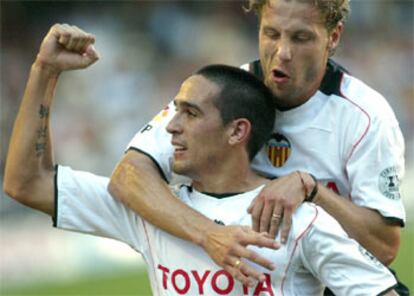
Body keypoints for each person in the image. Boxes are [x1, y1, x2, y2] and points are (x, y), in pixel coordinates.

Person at [3, 24, 399, 294]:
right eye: (176, 111)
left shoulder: (295, 219)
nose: (171, 126)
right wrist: (45, 70)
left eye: (190, 114)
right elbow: (26, 182)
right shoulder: (152, 210)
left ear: (236, 131)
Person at [106, 0, 408, 290]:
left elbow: (384, 246)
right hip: (250, 274)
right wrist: (209, 235)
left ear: (334, 37)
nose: (283, 52)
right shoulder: (221, 95)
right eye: (271, 34)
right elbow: (129, 175)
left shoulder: (366, 116)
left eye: (301, 38)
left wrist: (311, 190)